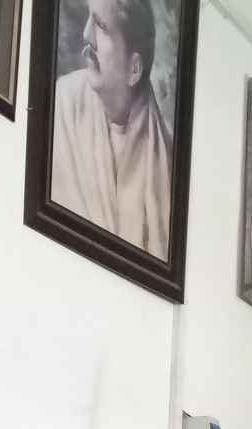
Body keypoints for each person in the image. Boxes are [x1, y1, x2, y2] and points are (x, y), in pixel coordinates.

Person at [51, 0, 173, 261]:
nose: (86, 35)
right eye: (89, 19)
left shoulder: (166, 159)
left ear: (134, 69)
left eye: (102, 27)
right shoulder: (63, 103)